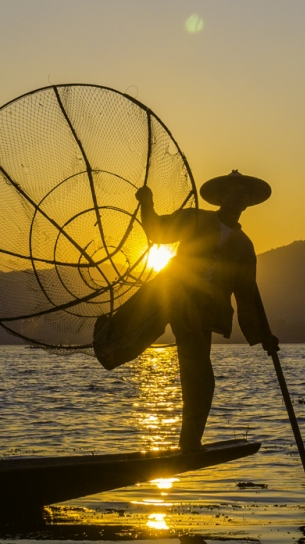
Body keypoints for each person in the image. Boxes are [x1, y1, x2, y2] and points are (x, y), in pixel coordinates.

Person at [93, 170, 279, 451]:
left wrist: (265, 336)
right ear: (222, 197)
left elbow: (247, 295)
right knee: (138, 327)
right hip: (172, 289)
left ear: (247, 203)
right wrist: (146, 202)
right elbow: (157, 230)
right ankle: (107, 344)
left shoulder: (243, 246)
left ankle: (189, 443)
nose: (238, 197)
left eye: (244, 194)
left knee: (203, 381)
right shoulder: (195, 218)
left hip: (203, 312)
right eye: (233, 192)